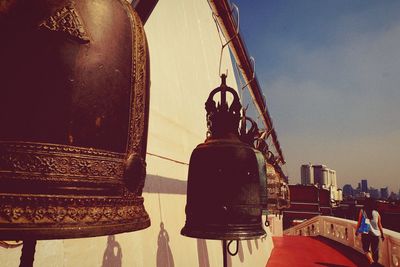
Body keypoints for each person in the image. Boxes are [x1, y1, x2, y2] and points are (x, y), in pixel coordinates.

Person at [355, 198, 385, 265]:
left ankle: (371, 260)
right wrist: (382, 234)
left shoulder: (362, 211)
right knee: (375, 251)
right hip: (376, 234)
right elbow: (380, 225)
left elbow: (359, 222)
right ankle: (375, 263)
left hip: (366, 233)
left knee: (365, 249)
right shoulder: (376, 213)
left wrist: (357, 231)